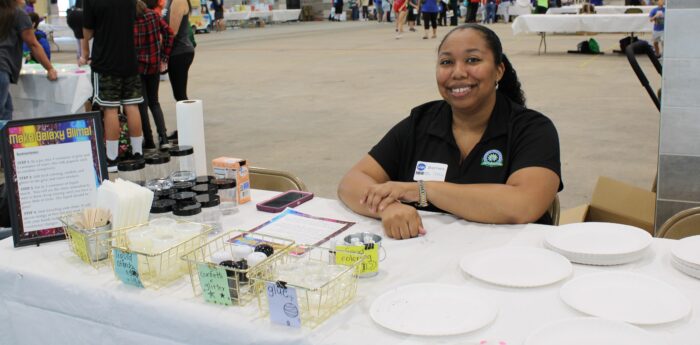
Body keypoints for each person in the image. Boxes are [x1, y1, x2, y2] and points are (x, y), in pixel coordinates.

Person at [338, 24, 562, 240]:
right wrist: (387, 207)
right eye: (446, 62)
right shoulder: (420, 123)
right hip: (431, 257)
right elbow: (352, 181)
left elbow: (522, 205)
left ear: (499, 70)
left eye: (472, 60)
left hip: (510, 262)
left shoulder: (532, 129)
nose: (458, 72)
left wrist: (421, 191)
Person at [80, 0, 144, 171]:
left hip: (105, 62)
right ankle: (138, 153)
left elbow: (87, 34)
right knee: (132, 106)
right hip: (129, 60)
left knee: (110, 109)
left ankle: (112, 159)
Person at [0, 0, 57, 121]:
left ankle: (5, 139)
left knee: (6, 110)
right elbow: (33, 44)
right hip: (2, 69)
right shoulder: (18, 15)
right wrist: (50, 68)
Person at [135, 0, 173, 149]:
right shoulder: (153, 15)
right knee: (154, 102)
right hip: (153, 66)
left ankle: (149, 140)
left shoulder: (129, 20)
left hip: (137, 68)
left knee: (142, 105)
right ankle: (163, 139)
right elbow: (169, 33)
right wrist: (164, 55)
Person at [163, 0, 195, 140]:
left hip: (180, 51)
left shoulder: (178, 1)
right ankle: (185, 129)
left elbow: (172, 31)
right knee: (179, 94)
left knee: (180, 95)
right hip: (177, 51)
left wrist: (163, 55)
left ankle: (187, 130)